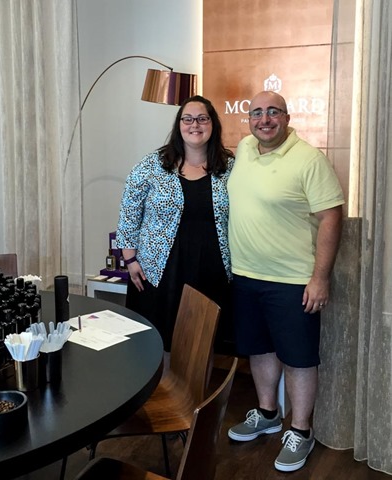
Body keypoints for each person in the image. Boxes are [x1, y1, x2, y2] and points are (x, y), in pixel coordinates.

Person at [226, 91, 344, 472]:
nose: (264, 119)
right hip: (246, 275)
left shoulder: (309, 159)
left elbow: (331, 217)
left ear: (287, 118)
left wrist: (320, 278)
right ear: (248, 120)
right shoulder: (245, 149)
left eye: (273, 112)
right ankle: (267, 413)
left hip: (292, 281)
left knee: (298, 358)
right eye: (257, 113)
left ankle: (301, 430)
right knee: (259, 349)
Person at [116, 95, 234, 353]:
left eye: (202, 119)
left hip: (212, 269)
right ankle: (164, 381)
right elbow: (129, 210)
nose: (195, 125)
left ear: (213, 124)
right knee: (159, 342)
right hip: (160, 270)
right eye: (187, 119)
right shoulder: (153, 165)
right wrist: (130, 259)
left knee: (203, 346)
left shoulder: (229, 167)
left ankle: (197, 382)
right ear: (178, 124)